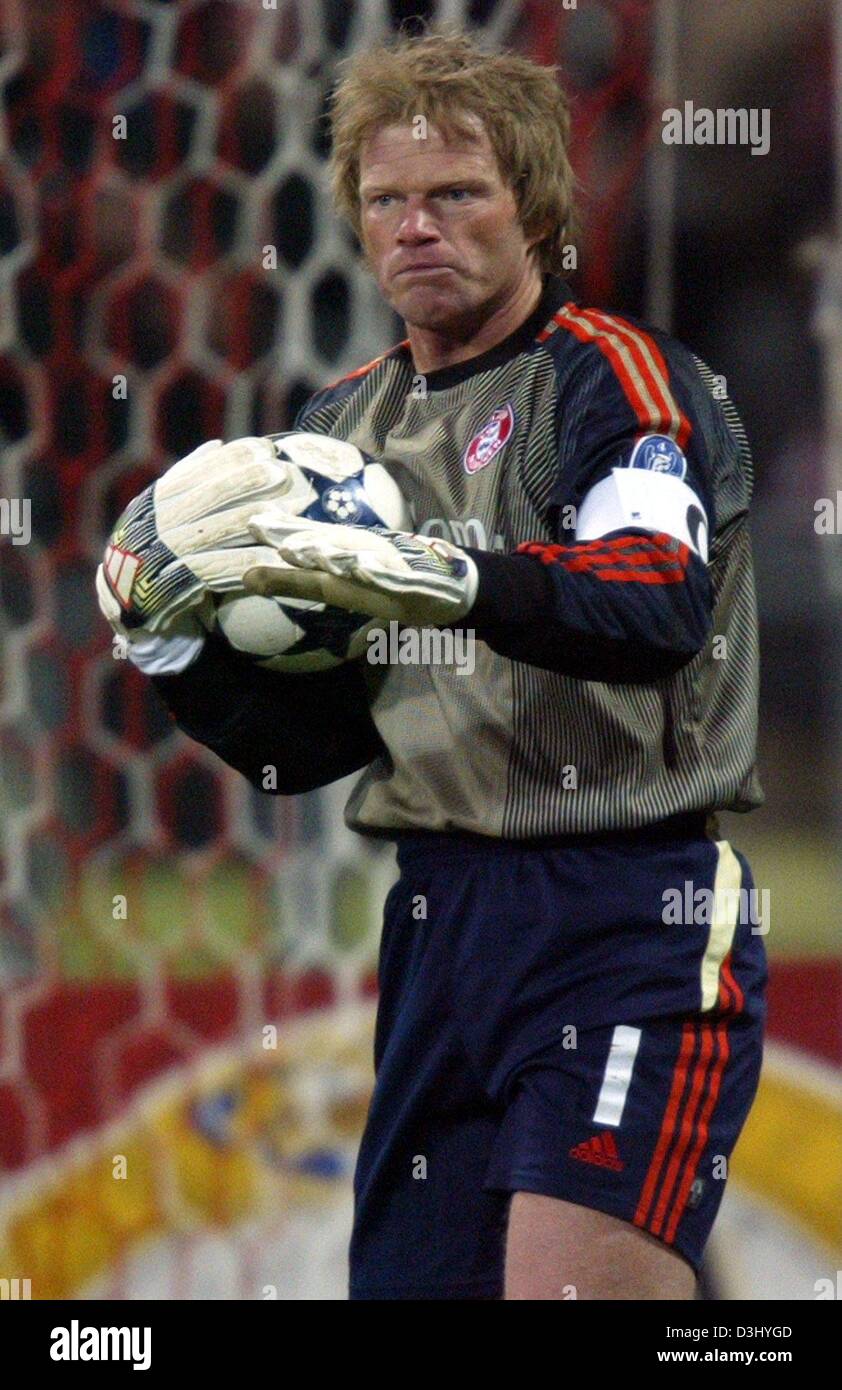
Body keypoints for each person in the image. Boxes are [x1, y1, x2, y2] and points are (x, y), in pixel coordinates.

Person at [96, 29, 766, 1300]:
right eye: (388, 199)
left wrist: (445, 575)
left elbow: (657, 601)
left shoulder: (616, 381)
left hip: (627, 908)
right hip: (438, 922)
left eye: (457, 194)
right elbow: (315, 747)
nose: (418, 227)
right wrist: (178, 647)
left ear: (534, 207)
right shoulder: (335, 434)